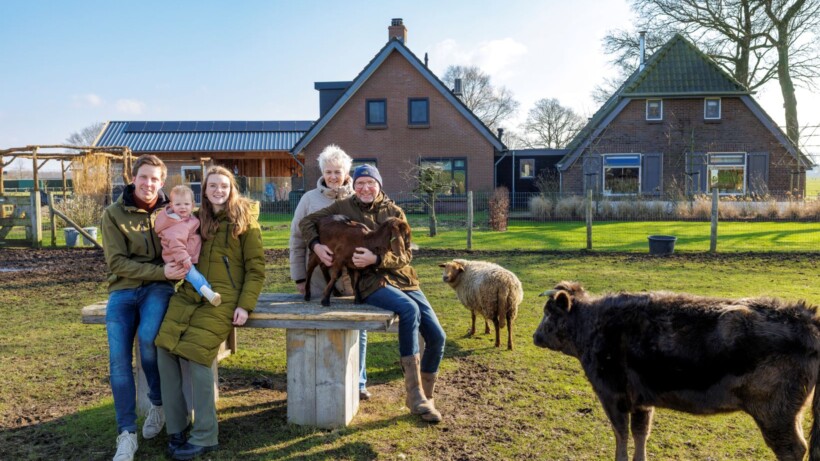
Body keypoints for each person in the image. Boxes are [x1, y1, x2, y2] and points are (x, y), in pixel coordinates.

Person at [300, 164, 445, 423]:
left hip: (403, 279)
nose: (365, 188)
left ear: (379, 185)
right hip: (370, 283)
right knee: (408, 310)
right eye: (360, 183)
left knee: (437, 336)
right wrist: (316, 245)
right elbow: (307, 221)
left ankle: (426, 396)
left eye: (370, 183)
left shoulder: (394, 212)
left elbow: (406, 254)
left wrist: (376, 258)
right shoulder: (343, 207)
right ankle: (414, 396)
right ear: (353, 186)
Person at [155, 166, 265, 460]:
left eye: (224, 186)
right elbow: (166, 224)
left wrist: (245, 304)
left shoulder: (245, 221)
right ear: (204, 190)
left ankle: (205, 435)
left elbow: (256, 269)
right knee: (164, 347)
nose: (218, 190)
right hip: (191, 292)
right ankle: (176, 428)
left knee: (197, 353)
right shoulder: (196, 219)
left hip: (223, 298)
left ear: (232, 189)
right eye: (212, 185)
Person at [101, 154, 188, 461]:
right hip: (123, 289)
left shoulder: (170, 210)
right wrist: (160, 271)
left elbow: (191, 236)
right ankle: (126, 434)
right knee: (118, 361)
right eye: (143, 177)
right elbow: (116, 263)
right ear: (133, 178)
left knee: (149, 339)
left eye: (155, 178)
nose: (149, 183)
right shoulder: (113, 214)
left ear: (162, 182)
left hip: (158, 289)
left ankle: (158, 403)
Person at [289, 145, 372, 400]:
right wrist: (300, 278)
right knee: (317, 327)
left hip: (352, 277)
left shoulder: (359, 198)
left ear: (347, 172)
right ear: (322, 172)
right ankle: (318, 382)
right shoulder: (309, 200)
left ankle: (358, 381)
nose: (333, 176)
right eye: (328, 171)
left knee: (357, 328)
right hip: (318, 278)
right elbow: (295, 239)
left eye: (338, 171)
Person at [155, 185, 222, 307]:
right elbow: (176, 244)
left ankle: (204, 291)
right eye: (178, 204)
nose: (182, 207)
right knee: (193, 275)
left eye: (186, 204)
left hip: (184, 257)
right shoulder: (176, 224)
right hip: (178, 259)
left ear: (192, 204)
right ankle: (208, 292)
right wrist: (184, 258)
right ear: (171, 206)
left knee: (191, 275)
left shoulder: (187, 219)